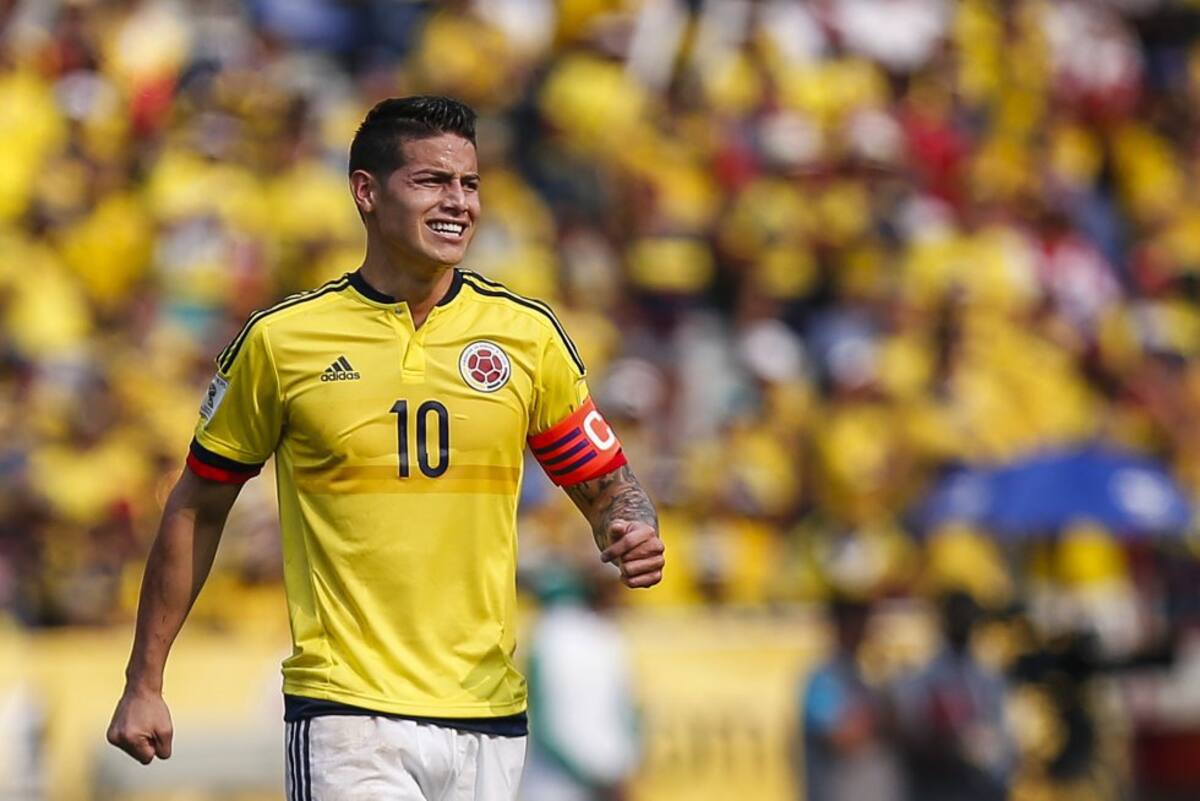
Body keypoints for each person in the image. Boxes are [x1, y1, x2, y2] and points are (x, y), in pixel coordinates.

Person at [105, 96, 665, 801]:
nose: (458, 202)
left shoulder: (527, 336)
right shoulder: (284, 341)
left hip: (487, 715)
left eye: (470, 184)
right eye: (431, 181)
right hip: (348, 712)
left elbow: (608, 482)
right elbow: (198, 503)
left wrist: (632, 524)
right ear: (366, 192)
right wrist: (144, 680)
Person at [520, 565, 639, 801]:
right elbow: (542, 721)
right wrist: (607, 777)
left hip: (579, 782)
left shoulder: (547, 638)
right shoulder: (554, 638)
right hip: (565, 784)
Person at [891, 591, 1014, 801]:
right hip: (938, 786)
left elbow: (1003, 742)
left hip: (980, 786)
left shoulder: (988, 678)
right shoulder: (922, 677)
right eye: (955, 614)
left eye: (967, 615)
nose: (962, 621)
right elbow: (910, 735)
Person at [795, 595, 902, 801]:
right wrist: (878, 717)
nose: (865, 632)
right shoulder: (823, 679)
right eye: (859, 623)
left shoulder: (866, 678)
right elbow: (841, 737)